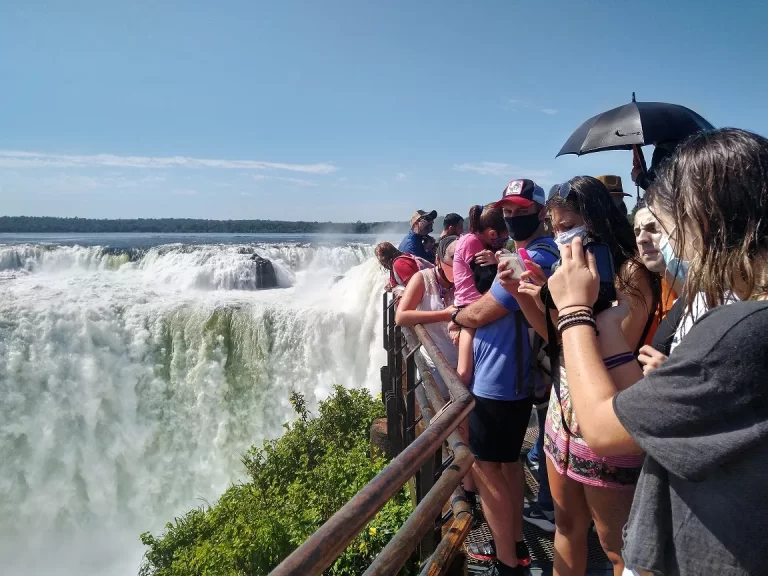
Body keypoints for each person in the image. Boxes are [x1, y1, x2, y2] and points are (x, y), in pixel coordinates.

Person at [545, 127, 768, 576]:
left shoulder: (739, 328)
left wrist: (572, 310)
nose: (665, 246)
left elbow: (606, 431)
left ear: (703, 222)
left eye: (666, 227)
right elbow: (643, 409)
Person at [513, 176, 657, 576]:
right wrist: (534, 300)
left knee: (618, 549)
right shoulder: (566, 270)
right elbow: (557, 343)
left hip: (608, 418)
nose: (562, 236)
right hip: (564, 414)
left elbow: (615, 350)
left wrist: (579, 304)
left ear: (596, 221)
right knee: (567, 526)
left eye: (569, 225)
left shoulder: (632, 274)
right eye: (556, 228)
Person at [453, 179, 559, 574]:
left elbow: (483, 312)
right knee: (507, 466)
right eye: (508, 212)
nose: (513, 218)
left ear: (541, 212)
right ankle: (514, 545)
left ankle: (506, 562)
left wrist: (456, 316)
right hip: (507, 377)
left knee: (486, 469)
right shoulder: (528, 252)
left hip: (502, 379)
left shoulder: (538, 257)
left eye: (521, 211)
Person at [395, 235, 458, 398]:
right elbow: (401, 316)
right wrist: (444, 315)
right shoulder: (423, 279)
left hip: (465, 365)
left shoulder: (467, 279)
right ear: (438, 259)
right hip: (435, 365)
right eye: (452, 260)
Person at [632, 206, 679, 346]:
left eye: (653, 229)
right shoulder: (647, 286)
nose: (641, 239)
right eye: (637, 232)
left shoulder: (709, 296)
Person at [453, 204, 509, 308]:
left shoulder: (483, 242)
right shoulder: (471, 241)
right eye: (505, 237)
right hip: (470, 305)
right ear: (492, 234)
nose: (505, 241)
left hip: (478, 303)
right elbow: (484, 282)